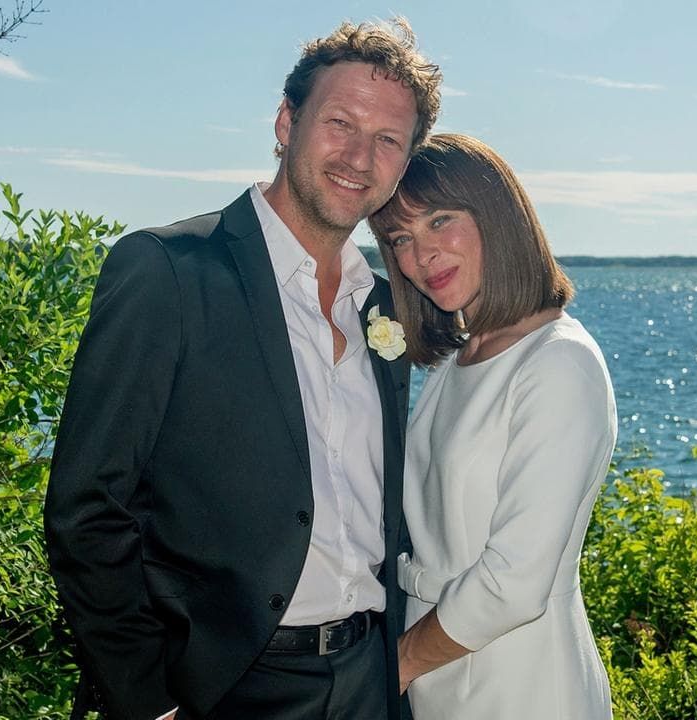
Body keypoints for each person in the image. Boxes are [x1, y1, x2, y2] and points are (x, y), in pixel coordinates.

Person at [43, 18, 441, 720]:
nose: (358, 155)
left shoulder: (382, 307)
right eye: (339, 122)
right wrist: (148, 700)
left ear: (404, 163)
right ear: (287, 124)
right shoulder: (167, 271)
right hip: (219, 689)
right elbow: (86, 510)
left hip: (368, 682)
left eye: (388, 140)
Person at [367, 133, 616, 718]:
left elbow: (516, 580)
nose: (420, 255)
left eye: (440, 220)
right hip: (438, 678)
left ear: (499, 217)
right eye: (400, 238)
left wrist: (394, 666)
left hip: (521, 681)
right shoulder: (459, 360)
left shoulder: (559, 361)